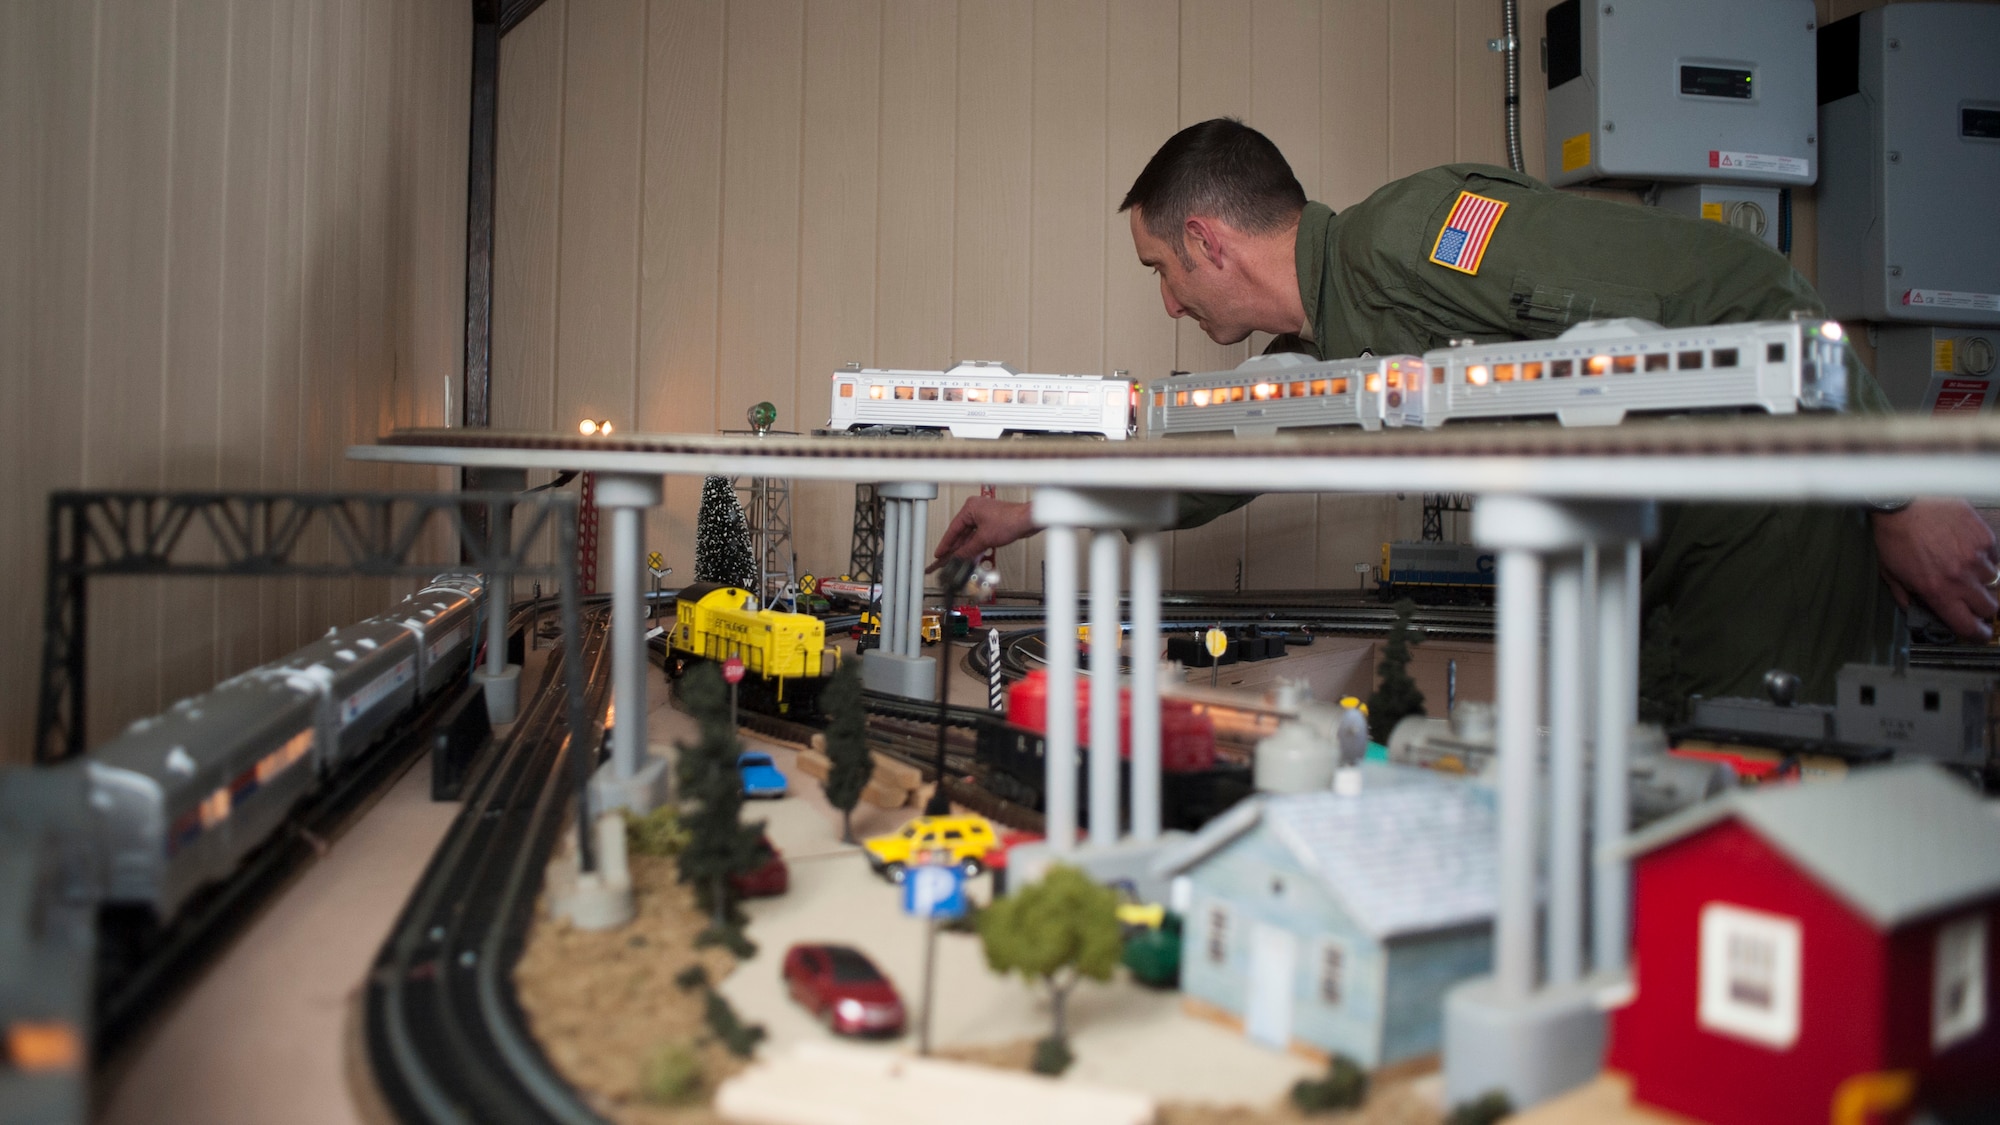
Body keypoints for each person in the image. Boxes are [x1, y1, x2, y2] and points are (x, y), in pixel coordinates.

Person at [933, 118, 1998, 708]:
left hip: (1762, 540)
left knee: (1762, 840)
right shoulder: (1338, 345)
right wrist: (1033, 507)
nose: (1167, 300)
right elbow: (1213, 463)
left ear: (1210, 241)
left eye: (1163, 269)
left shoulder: (1415, 238)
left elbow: (1738, 286)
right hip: (1675, 571)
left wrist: (1893, 491)